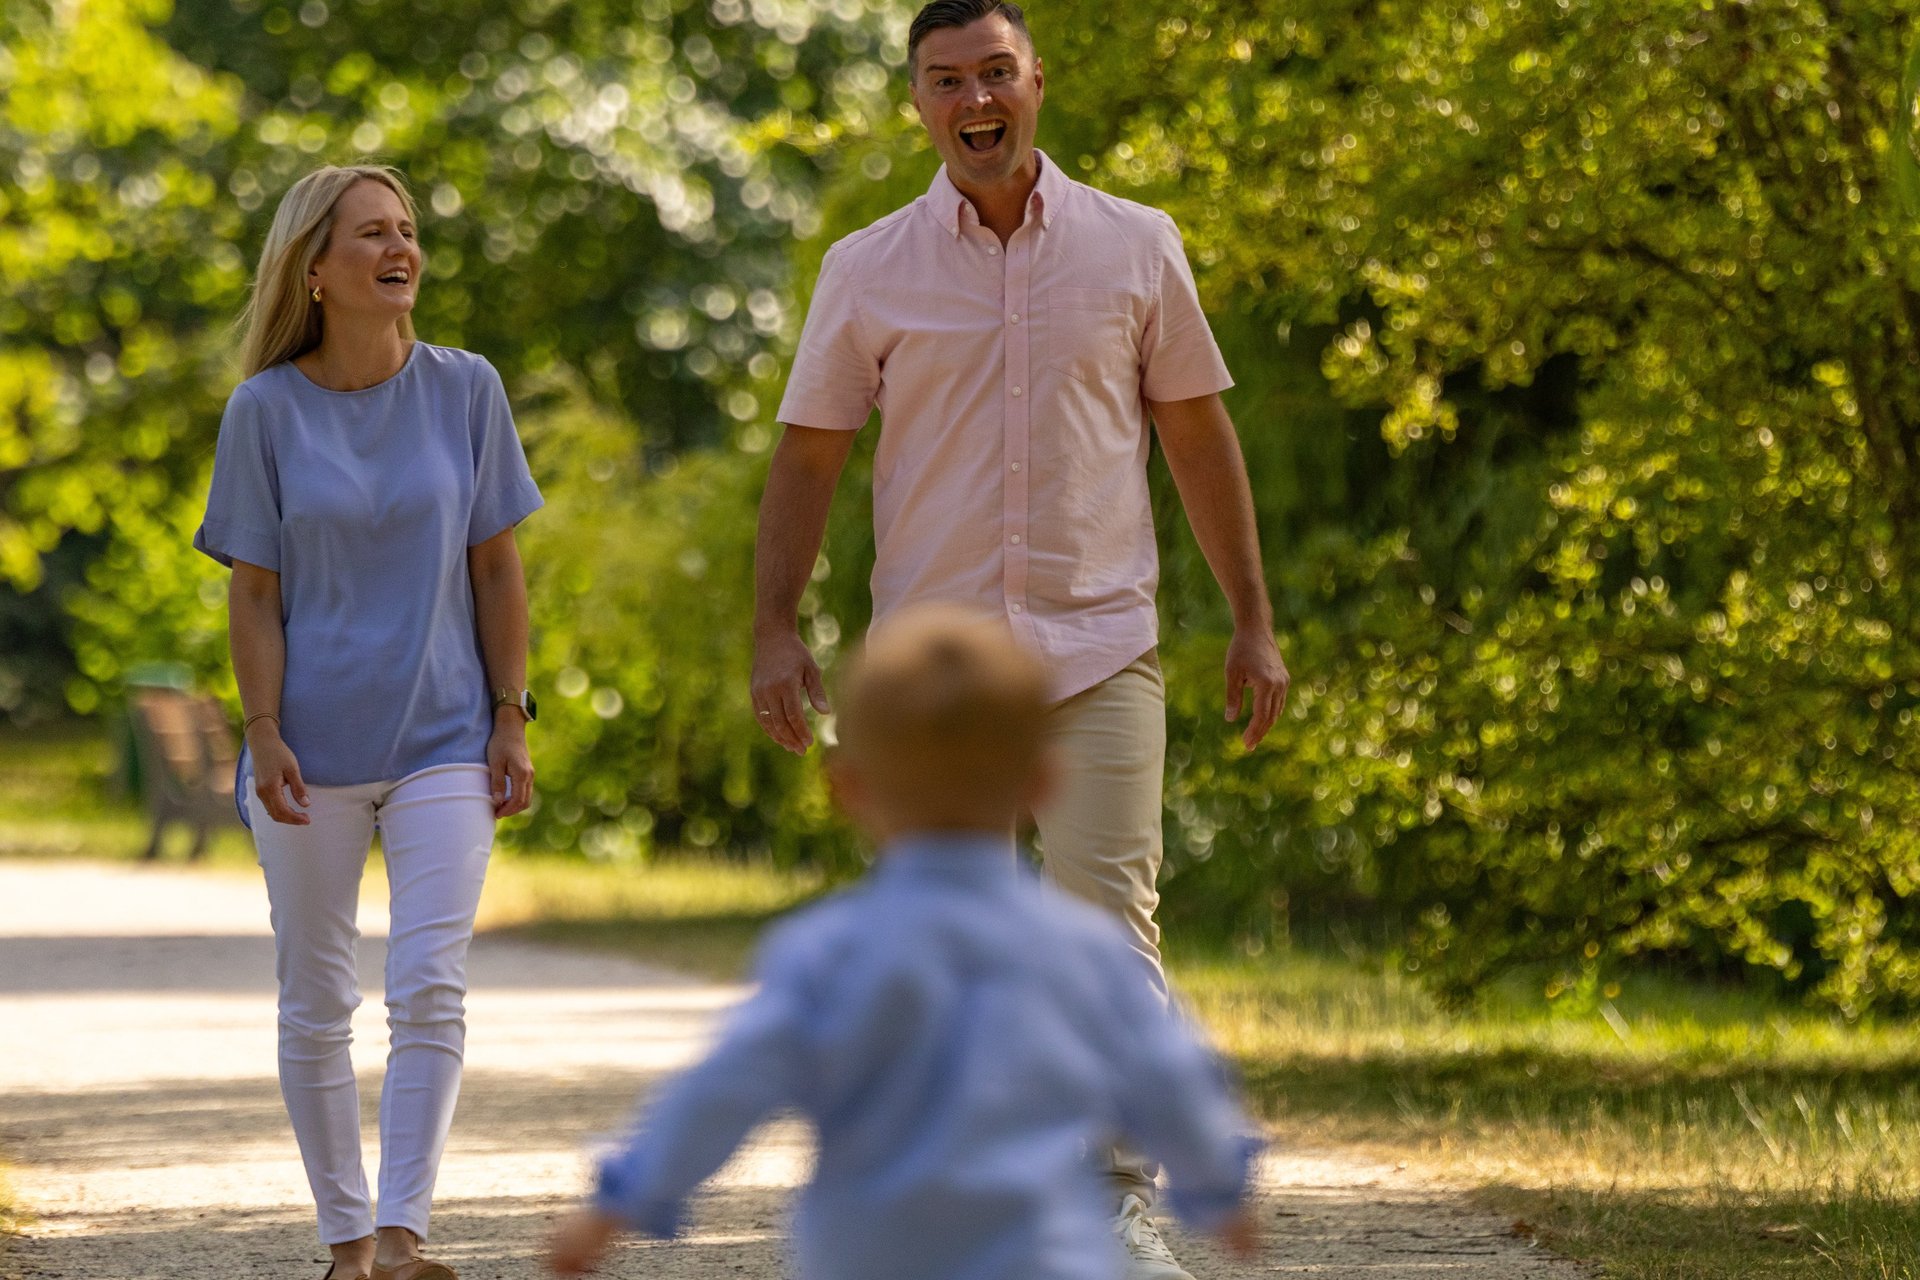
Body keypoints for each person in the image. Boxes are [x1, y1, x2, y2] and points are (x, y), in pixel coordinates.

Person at [750, 3, 1288, 1274]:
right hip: (935, 676)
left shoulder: (1135, 247)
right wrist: (775, 628)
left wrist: (1253, 621)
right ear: (920, 103)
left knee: (1106, 924)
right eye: (948, 81)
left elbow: (1199, 440)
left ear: (1037, 82)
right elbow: (809, 456)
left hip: (1101, 644)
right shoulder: (866, 267)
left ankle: (1109, 1195)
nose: (974, 99)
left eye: (996, 72)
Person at [551, 605, 1261, 1279]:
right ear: (1044, 781)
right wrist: (1217, 1186)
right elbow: (1166, 1075)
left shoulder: (826, 951)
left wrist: (625, 1198)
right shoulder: (1086, 948)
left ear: (847, 789)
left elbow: (728, 1085)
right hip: (1044, 1257)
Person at [194, 163, 543, 1280]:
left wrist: (509, 714)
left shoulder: (467, 387)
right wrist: (259, 728)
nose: (401, 249)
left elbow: (498, 565)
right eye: (372, 235)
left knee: (429, 982)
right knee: (317, 999)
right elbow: (252, 589)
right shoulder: (264, 410)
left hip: (447, 734)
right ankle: (345, 1242)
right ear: (317, 268)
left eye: (409, 231)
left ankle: (403, 1236)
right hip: (306, 751)